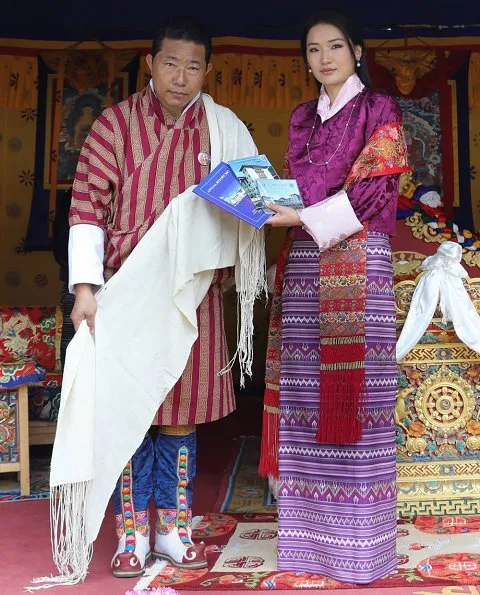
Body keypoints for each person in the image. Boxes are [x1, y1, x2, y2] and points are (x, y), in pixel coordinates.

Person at [68, 17, 259, 579]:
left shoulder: (222, 130)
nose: (181, 77)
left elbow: (250, 201)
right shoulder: (114, 126)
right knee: (131, 413)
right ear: (150, 64)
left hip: (192, 290)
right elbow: (86, 208)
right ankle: (130, 531)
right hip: (124, 291)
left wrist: (265, 204)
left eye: (193, 65)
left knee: (181, 414)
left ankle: (173, 530)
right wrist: (85, 290)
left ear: (207, 71)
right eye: (171, 63)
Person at [259, 9, 409, 584]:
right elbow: (302, 188)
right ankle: (306, 546)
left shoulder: (379, 110)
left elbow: (373, 194)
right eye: (313, 50)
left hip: (356, 259)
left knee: (358, 404)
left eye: (335, 47)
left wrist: (298, 214)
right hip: (302, 263)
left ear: (358, 52)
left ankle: (357, 549)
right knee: (303, 398)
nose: (324, 58)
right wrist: (263, 201)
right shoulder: (303, 118)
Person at [52, 187, 75, 370]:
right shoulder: (73, 195)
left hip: (73, 279)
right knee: (72, 348)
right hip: (74, 282)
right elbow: (61, 242)